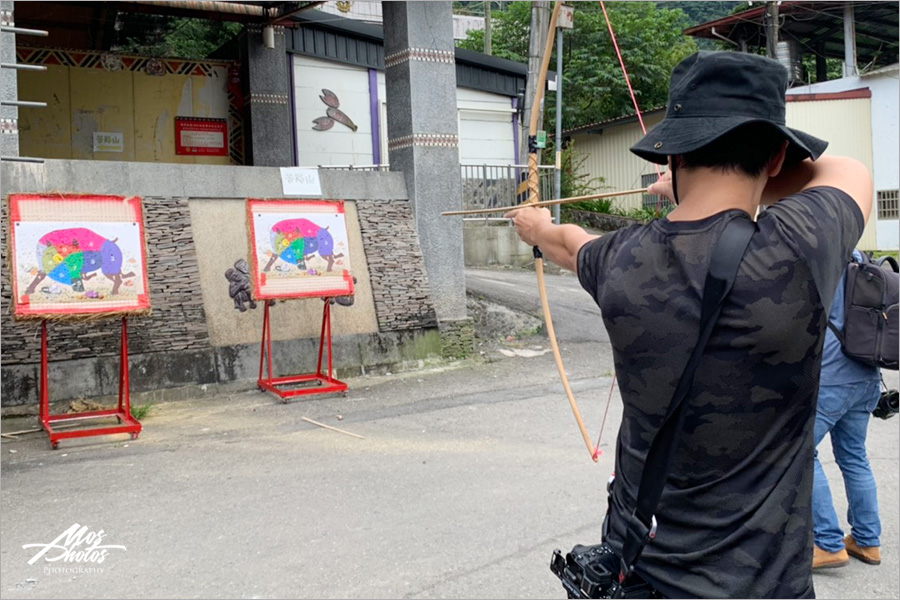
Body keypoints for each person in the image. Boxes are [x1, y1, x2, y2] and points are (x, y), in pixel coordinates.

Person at [505, 51, 872, 598]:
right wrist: (746, 178)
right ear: (775, 158)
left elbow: (564, 240)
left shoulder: (618, 259)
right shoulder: (800, 244)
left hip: (645, 575)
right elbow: (848, 171)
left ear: (672, 152)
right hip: (764, 585)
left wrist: (534, 224)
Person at [811, 249, 882, 569]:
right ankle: (867, 542)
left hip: (832, 377)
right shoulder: (861, 258)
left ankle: (828, 543)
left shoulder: (821, 258)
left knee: (799, 454)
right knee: (854, 456)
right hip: (866, 374)